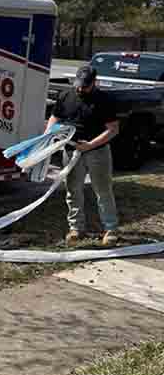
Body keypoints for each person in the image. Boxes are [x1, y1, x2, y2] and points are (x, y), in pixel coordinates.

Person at [46, 65, 120, 246]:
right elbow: (55, 117)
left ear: (94, 83)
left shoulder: (104, 100)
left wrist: (90, 145)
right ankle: (76, 228)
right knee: (73, 190)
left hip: (97, 152)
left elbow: (113, 130)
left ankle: (110, 229)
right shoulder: (66, 96)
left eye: (85, 86)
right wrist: (49, 134)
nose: (80, 89)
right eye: (78, 85)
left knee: (103, 190)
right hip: (71, 151)